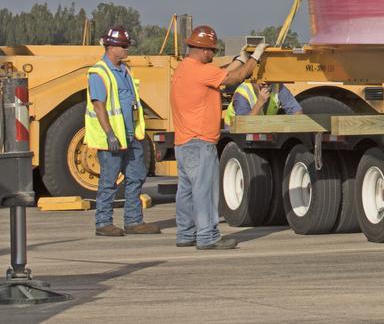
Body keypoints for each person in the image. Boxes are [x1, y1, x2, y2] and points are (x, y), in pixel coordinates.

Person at [170, 25, 260, 250]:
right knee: (205, 191)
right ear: (203, 50)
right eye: (212, 50)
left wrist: (240, 58)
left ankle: (185, 233)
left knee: (187, 190)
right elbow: (236, 77)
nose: (213, 54)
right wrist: (255, 58)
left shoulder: (184, 69)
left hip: (183, 142)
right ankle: (208, 236)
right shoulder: (202, 71)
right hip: (201, 142)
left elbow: (222, 72)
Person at [86, 25, 160, 237]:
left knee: (136, 178)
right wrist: (110, 134)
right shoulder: (99, 72)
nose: (127, 50)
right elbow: (99, 105)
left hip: (131, 137)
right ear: (111, 47)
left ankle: (134, 221)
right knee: (109, 182)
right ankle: (103, 223)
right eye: (124, 46)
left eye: (127, 46)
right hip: (113, 139)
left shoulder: (125, 70)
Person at [223, 78, 302, 126]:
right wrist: (259, 103)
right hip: (234, 130)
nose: (264, 83)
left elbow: (296, 111)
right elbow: (244, 125)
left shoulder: (277, 86)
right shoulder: (242, 92)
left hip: (263, 127)